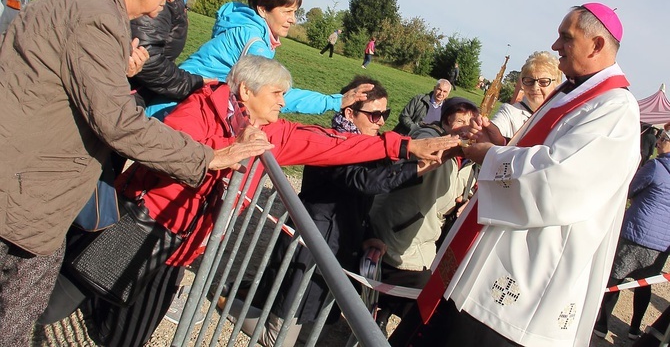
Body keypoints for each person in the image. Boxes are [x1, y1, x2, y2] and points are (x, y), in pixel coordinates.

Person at [0, 0, 274, 346]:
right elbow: (119, 124)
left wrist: (120, 73)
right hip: (27, 194)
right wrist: (208, 158)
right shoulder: (95, 16)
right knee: (16, 322)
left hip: (24, 181)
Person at [88, 57, 459, 347]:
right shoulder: (201, 109)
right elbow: (169, 151)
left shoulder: (271, 132)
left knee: (128, 328)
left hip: (181, 245)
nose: (285, 101)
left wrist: (403, 147)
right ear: (246, 91)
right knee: (85, 292)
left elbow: (328, 144)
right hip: (146, 225)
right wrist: (220, 155)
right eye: (277, 94)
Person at [389, 3, 640, 347]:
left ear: (596, 45)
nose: (556, 46)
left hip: (517, 286)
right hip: (478, 263)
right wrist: (501, 143)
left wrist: (492, 156)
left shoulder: (615, 109)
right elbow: (538, 157)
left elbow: (559, 181)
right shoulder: (571, 93)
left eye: (566, 37)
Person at [236, 75, 454, 346]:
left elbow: (362, 199)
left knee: (312, 316)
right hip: (313, 244)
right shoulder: (334, 143)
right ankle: (230, 306)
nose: (382, 121)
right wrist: (420, 166)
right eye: (374, 115)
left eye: (385, 114)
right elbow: (362, 182)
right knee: (277, 335)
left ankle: (252, 298)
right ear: (350, 113)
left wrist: (368, 234)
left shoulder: (368, 144)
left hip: (338, 244)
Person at [146, 0, 362, 119]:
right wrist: (335, 102)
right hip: (173, 108)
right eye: (287, 12)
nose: (293, 20)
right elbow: (277, 94)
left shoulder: (247, 28)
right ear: (262, 9)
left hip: (171, 101)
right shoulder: (254, 42)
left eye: (294, 12)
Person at [371, 98, 478, 334]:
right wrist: (457, 148)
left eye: (470, 122)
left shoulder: (469, 159)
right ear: (445, 121)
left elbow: (456, 192)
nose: (465, 127)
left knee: (407, 294)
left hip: (426, 238)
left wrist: (466, 200)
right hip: (402, 234)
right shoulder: (428, 136)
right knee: (421, 309)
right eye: (459, 120)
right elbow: (420, 150)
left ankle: (380, 316)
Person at [594, 129, 670, 340]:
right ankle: (634, 328)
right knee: (644, 283)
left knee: (616, 277)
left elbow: (632, 188)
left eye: (663, 139)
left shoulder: (656, 166)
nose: (658, 143)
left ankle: (602, 323)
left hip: (636, 232)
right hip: (661, 242)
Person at [488, 51, 562, 142]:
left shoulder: (563, 118)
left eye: (543, 82)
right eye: (529, 81)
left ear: (557, 84)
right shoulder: (509, 113)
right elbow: (491, 135)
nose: (535, 87)